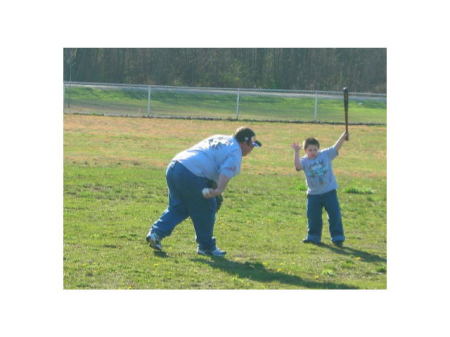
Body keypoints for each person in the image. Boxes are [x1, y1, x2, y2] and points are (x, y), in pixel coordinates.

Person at [146, 127, 262, 256]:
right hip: (191, 173)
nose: (251, 149)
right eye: (251, 146)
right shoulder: (235, 151)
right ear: (244, 142)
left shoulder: (221, 138)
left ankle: (156, 233)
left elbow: (209, 159)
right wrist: (218, 190)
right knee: (207, 207)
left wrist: (213, 186)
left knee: (179, 208)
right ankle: (206, 247)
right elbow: (226, 171)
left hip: (175, 166)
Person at [291, 131, 348, 247]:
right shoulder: (304, 160)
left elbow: (335, 147)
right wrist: (296, 152)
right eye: (310, 150)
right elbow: (297, 166)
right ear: (305, 150)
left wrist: (343, 136)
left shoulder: (325, 155)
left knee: (334, 215)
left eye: (315, 149)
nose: (313, 152)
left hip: (329, 192)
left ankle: (337, 238)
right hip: (313, 195)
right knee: (313, 217)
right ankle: (313, 237)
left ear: (318, 149)